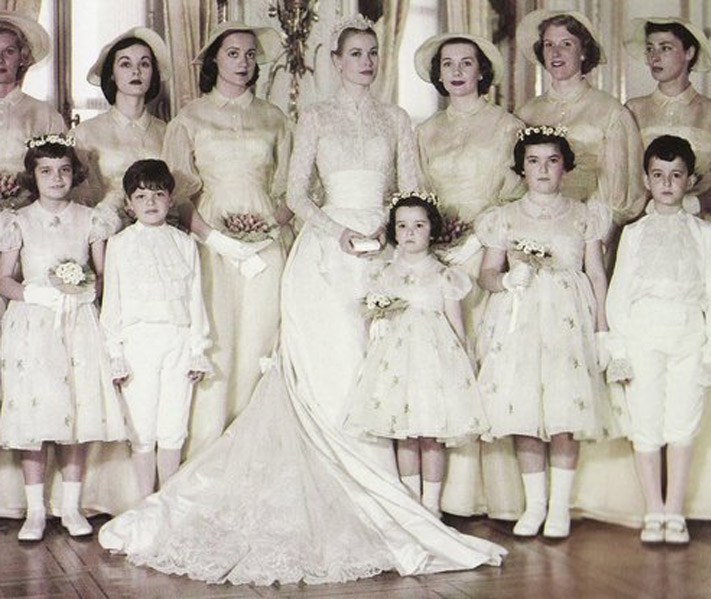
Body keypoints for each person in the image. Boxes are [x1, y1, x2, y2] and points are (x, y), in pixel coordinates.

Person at [98, 15, 505, 586]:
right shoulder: (312, 117)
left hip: (381, 250)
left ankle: (392, 490)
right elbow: (295, 193)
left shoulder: (396, 118)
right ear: (334, 62)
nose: (365, 62)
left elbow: (411, 190)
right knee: (331, 361)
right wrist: (337, 231)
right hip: (325, 251)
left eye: (371, 53)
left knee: (380, 361)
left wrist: (388, 232)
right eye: (354, 53)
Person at [475, 125, 614, 538]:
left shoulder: (584, 215)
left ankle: (559, 507)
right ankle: (535, 505)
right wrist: (506, 280)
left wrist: (602, 330)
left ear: (564, 167)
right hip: (519, 321)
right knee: (524, 412)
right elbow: (486, 273)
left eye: (552, 161)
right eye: (533, 161)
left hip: (567, 321)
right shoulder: (504, 217)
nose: (542, 169)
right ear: (521, 168)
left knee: (562, 412)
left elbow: (596, 273)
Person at [162, 22, 292, 458]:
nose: (243, 62)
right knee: (215, 338)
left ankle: (257, 450)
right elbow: (178, 194)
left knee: (260, 334)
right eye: (233, 53)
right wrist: (215, 239)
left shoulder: (275, 119)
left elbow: (292, 190)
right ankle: (208, 447)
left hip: (265, 242)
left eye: (250, 54)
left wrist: (267, 229)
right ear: (214, 59)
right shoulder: (190, 118)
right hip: (210, 240)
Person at [413, 31, 525, 522]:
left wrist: (478, 240)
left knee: (489, 361)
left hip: (488, 258)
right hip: (438, 260)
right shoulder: (425, 132)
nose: (457, 72)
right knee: (445, 364)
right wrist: (437, 238)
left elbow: (514, 195)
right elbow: (417, 194)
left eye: (466, 63)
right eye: (448, 64)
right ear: (438, 74)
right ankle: (451, 491)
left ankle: (495, 491)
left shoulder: (508, 127)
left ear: (482, 71)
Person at [607, 135, 711, 543]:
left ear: (689, 180)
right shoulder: (634, 234)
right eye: (658, 175)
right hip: (643, 331)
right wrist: (619, 348)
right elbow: (619, 293)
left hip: (689, 334)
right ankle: (653, 510)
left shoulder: (703, 234)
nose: (666, 183)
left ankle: (675, 511)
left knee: (683, 421)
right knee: (645, 419)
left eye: (676, 175)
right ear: (646, 180)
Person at [0, 134, 124, 540]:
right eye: (46, 171)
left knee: (77, 410)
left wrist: (86, 291)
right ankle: (36, 511)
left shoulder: (90, 219)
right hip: (33, 325)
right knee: (36, 414)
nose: (56, 178)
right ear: (33, 176)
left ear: (75, 174)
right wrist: (33, 293)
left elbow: (103, 275)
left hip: (77, 323)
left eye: (64, 170)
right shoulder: (17, 220)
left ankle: (70, 507)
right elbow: (3, 278)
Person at [344, 192, 488, 518]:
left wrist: (464, 359)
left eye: (419, 225)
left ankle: (431, 503)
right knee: (405, 434)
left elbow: (455, 322)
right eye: (402, 225)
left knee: (430, 434)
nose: (409, 232)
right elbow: (374, 312)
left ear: (432, 230)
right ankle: (411, 503)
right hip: (396, 364)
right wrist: (377, 322)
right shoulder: (382, 272)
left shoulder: (444, 274)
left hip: (433, 364)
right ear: (393, 231)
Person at [101, 160, 211, 496]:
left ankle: (167, 501)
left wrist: (197, 349)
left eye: (158, 194)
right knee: (142, 426)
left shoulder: (184, 244)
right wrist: (115, 354)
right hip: (137, 342)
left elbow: (195, 299)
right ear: (128, 204)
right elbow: (112, 302)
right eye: (141, 196)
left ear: (170, 199)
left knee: (173, 424)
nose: (150, 202)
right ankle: (145, 502)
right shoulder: (119, 244)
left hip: (178, 339)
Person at [515, 9, 645, 228]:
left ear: (583, 51)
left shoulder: (610, 111)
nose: (556, 53)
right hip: (532, 226)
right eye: (548, 44)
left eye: (566, 44)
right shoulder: (526, 112)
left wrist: (591, 231)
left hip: (590, 227)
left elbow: (622, 193)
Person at [623, 17, 711, 211]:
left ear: (689, 52)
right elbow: (624, 176)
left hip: (701, 221)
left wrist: (695, 206)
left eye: (665, 48)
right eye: (650, 48)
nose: (654, 57)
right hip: (642, 221)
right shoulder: (633, 110)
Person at [73, 27, 171, 226]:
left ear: (153, 73)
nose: (136, 71)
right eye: (126, 64)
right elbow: (76, 197)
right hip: (103, 235)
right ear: (111, 74)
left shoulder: (168, 133)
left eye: (144, 64)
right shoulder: (85, 133)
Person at [0, 11, 65, 205]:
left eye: (9, 51)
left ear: (22, 58)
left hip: (28, 211)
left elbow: (61, 170)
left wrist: (21, 185)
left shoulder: (44, 114)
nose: (0, 59)